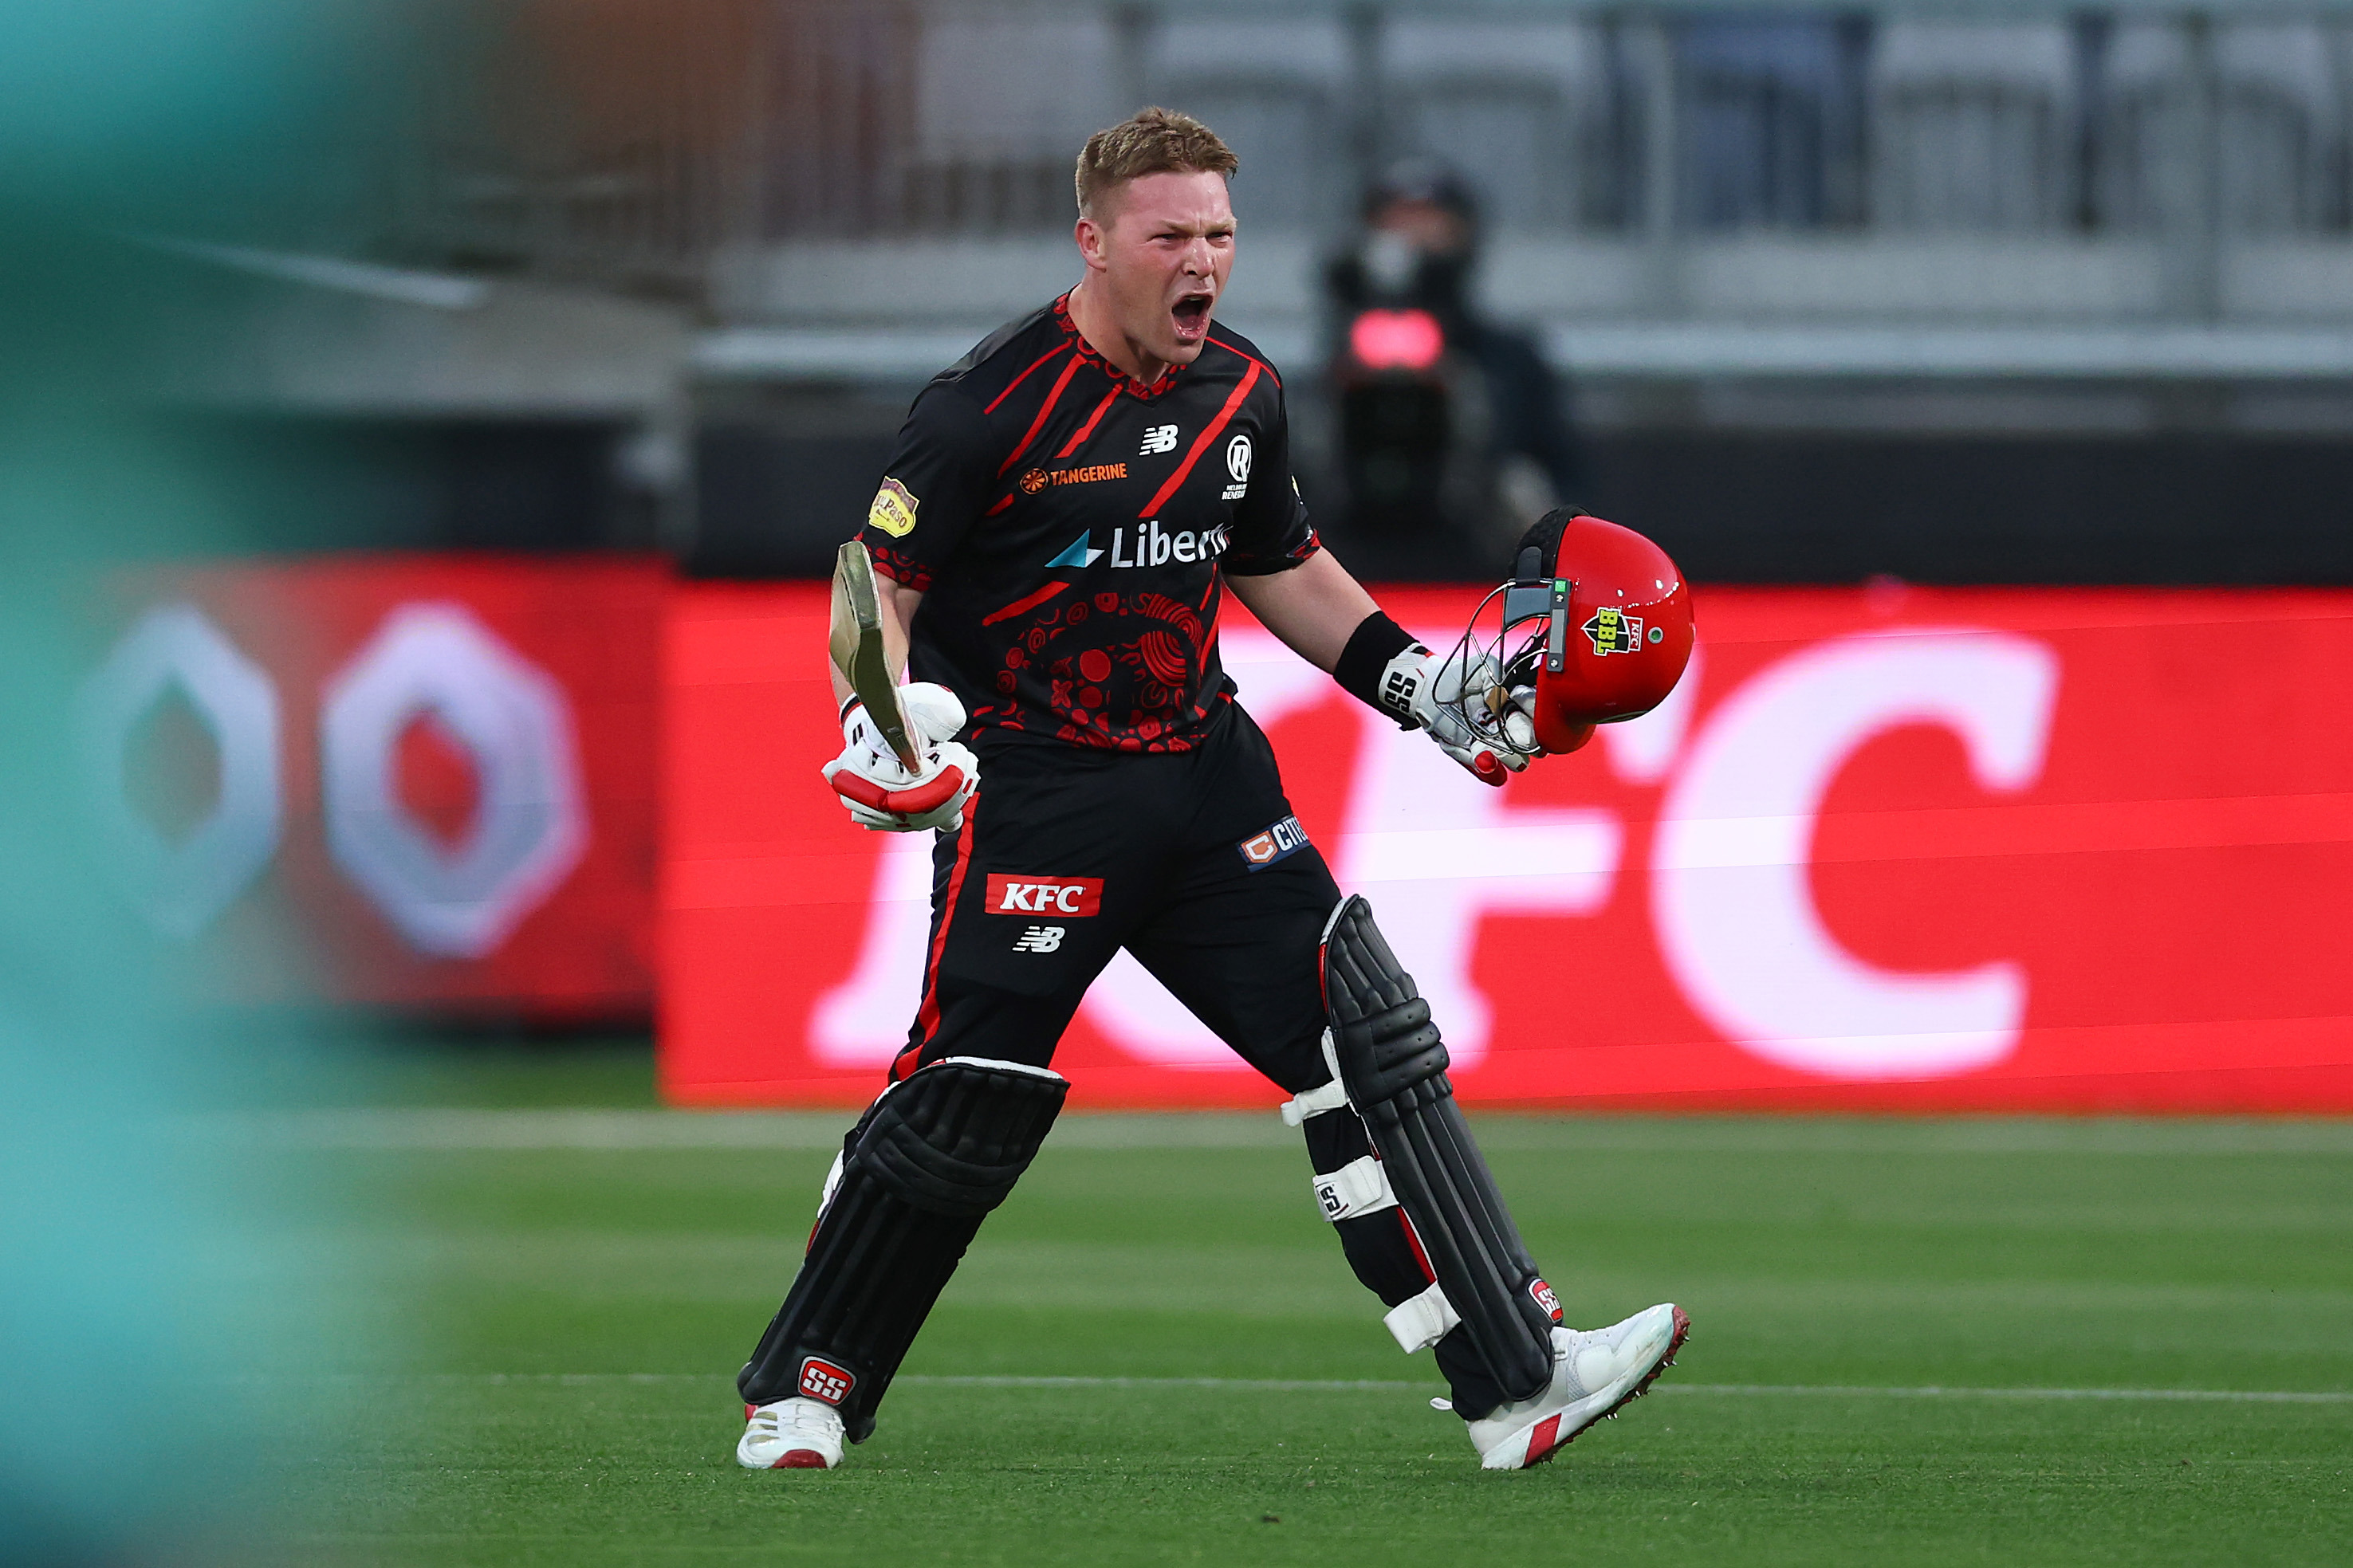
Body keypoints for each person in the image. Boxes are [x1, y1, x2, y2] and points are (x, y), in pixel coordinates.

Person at [734, 108, 1685, 1475]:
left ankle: (1517, 1378)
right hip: (1039, 792)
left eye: (1221, 235)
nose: (1202, 262)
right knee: (966, 1096)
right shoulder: (983, 405)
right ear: (1093, 240)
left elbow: (1279, 561)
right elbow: (875, 583)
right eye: (1169, 235)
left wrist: (1419, 687)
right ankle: (807, 1388)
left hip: (1206, 778)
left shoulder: (1239, 389)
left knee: (1366, 1039)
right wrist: (874, 728)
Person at [1324, 159, 1582, 579]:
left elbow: (1565, 475)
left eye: (1431, 222)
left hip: (1481, 571)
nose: (1411, 239)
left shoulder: (1509, 360)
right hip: (1345, 573)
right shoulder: (1336, 362)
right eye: (1395, 221)